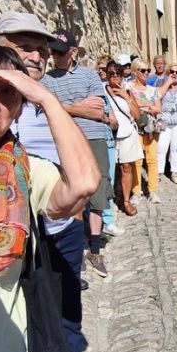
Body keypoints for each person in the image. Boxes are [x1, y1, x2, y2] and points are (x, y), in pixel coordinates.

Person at [0, 12, 99, 352]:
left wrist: (47, 100)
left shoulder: (38, 110)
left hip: (50, 228)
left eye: (41, 49)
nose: (36, 55)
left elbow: (83, 182)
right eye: (25, 46)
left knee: (62, 323)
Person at [43, 29, 112, 279]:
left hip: (94, 137)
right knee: (72, 193)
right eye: (53, 52)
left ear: (73, 52)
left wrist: (61, 106)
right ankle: (78, 249)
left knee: (98, 192)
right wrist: (79, 106)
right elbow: (45, 109)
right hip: (65, 140)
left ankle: (95, 250)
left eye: (60, 53)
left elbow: (97, 111)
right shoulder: (46, 80)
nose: (56, 57)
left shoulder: (89, 75)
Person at [104, 61, 144, 215]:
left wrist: (126, 96)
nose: (115, 76)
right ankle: (110, 200)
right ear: (107, 75)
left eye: (118, 73)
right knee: (109, 169)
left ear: (122, 75)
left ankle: (126, 201)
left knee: (126, 168)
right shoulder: (101, 90)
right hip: (109, 134)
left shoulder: (127, 90)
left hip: (127, 133)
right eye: (111, 73)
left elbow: (137, 115)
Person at [127, 58, 161, 204]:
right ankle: (136, 191)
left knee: (152, 159)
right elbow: (129, 105)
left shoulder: (152, 90)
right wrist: (148, 105)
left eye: (148, 70)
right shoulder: (128, 87)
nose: (147, 73)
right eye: (143, 70)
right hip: (135, 128)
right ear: (135, 72)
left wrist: (140, 106)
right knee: (136, 160)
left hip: (151, 128)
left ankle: (153, 191)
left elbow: (158, 108)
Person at [96, 54, 123, 236]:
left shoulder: (107, 92)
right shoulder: (94, 89)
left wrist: (108, 120)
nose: (103, 72)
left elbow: (113, 121)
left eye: (106, 70)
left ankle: (107, 219)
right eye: (102, 69)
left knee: (109, 180)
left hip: (108, 140)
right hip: (93, 140)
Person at [157, 62, 177, 184]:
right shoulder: (161, 84)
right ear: (168, 73)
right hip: (163, 121)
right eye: (172, 71)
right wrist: (168, 83)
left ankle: (174, 172)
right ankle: (159, 172)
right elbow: (157, 97)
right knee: (161, 147)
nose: (174, 74)